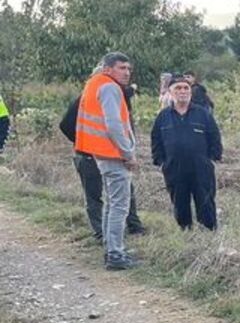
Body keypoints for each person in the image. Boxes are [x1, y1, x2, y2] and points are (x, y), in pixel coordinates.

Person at [60, 77, 144, 239]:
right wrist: (85, 144)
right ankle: (102, 234)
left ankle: (132, 227)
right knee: (95, 195)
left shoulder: (119, 95)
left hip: (113, 154)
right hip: (91, 156)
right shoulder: (88, 98)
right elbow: (66, 125)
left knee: (123, 194)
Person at [75, 52, 138, 270]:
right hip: (112, 154)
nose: (127, 73)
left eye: (128, 68)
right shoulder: (110, 88)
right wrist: (128, 154)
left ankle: (111, 250)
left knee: (112, 204)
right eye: (122, 68)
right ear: (108, 69)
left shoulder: (93, 84)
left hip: (100, 153)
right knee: (119, 206)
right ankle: (115, 255)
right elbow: (113, 125)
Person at [152, 75, 222, 230]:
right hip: (174, 168)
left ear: (190, 91)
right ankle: (185, 230)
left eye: (186, 88)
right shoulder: (163, 117)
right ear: (170, 92)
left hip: (200, 167)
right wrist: (161, 161)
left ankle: (208, 231)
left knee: (205, 200)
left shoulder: (202, 114)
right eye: (178, 88)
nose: (182, 91)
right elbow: (156, 140)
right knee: (179, 202)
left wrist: (212, 158)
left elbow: (214, 136)